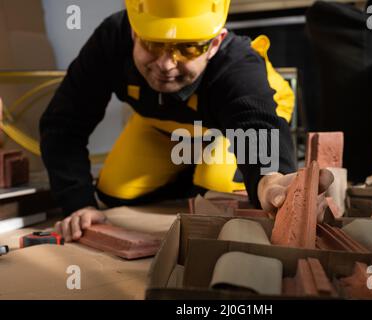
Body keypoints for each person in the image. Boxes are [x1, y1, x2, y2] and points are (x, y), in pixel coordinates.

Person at [39, 0, 333, 242]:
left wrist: (271, 179)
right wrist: (78, 203)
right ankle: (189, 171)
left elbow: (254, 123)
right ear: (133, 33)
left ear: (215, 43)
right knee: (116, 190)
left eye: (189, 48)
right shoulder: (110, 40)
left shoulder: (237, 63)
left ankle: (204, 174)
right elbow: (64, 123)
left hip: (230, 127)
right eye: (153, 44)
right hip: (161, 124)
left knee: (213, 184)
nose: (166, 65)